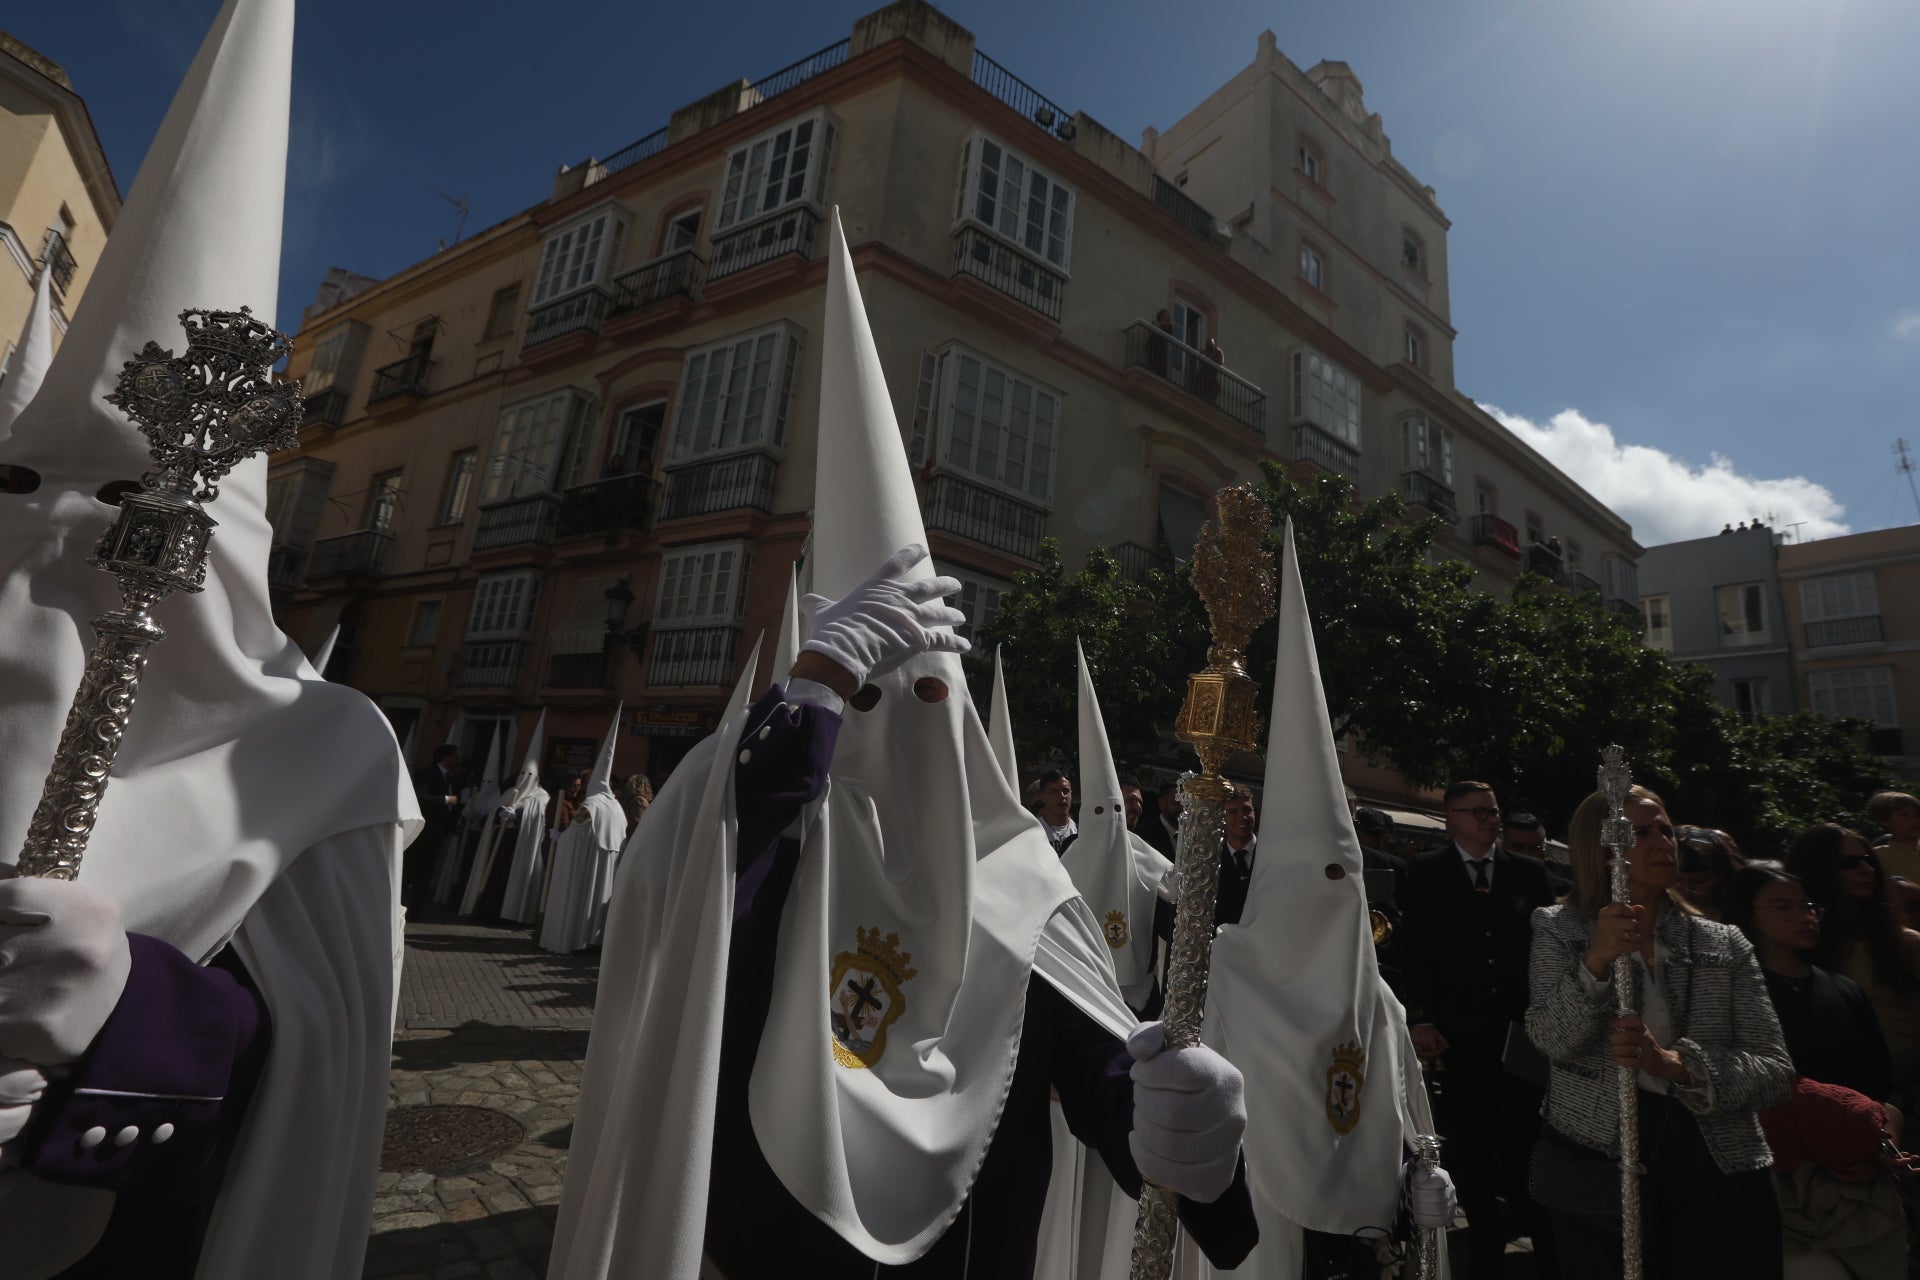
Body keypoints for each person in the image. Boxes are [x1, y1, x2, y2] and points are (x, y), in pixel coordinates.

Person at [551, 216, 1255, 1277]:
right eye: (868, 699)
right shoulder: (773, 835)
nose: (901, 720)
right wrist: (814, 692)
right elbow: (691, 917)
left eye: (928, 692)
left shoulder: (1019, 875)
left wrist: (1178, 1120)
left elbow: (1098, 1070)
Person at [0, 1, 417, 1272]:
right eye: (27, 489)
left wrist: (133, 1021)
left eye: (129, 499)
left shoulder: (330, 755)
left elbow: (327, 1064)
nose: (77, 536)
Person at [1526, 785, 1792, 1279]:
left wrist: (1675, 1065)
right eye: (1641, 832)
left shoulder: (1722, 942)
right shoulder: (1559, 929)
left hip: (1716, 1163)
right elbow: (1549, 1038)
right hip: (1599, 1164)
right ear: (1599, 847)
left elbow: (1775, 1072)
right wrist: (1596, 963)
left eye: (1667, 829)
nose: (1663, 843)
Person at [1401, 780, 1558, 1278]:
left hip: (1521, 1034)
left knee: (1526, 1144)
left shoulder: (1529, 873)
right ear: (1452, 818)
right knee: (1471, 1146)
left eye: (1493, 811)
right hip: (1457, 1034)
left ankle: (1547, 1252)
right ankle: (1485, 1255)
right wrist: (1422, 1018)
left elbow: (1548, 951)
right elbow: (1414, 951)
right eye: (1478, 812)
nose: (1490, 819)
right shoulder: (1426, 871)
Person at [1722, 861, 1909, 1277]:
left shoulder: (1844, 990)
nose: (1804, 916)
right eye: (1783, 907)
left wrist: (1882, 1140)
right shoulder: (1737, 994)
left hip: (1860, 1180)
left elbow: (1884, 1081)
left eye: (1808, 906)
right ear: (1748, 915)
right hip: (1783, 1182)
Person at [1786, 825, 1920, 1085]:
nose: (1867, 869)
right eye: (1849, 863)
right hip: (1825, 1090)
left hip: (1905, 1088)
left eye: (1869, 860)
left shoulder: (1905, 944)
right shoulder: (1789, 947)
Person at [539, 708, 628, 955]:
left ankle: (575, 939)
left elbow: (575, 836)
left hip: (585, 867)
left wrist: (559, 837)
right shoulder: (616, 806)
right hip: (608, 868)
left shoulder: (591, 805)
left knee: (580, 903)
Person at [410, 744, 461, 906]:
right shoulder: (428, 774)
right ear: (445, 757)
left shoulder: (450, 777)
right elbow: (422, 798)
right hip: (427, 830)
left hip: (439, 832)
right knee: (417, 868)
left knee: (427, 870)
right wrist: (446, 799)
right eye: (454, 756)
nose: (456, 760)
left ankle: (417, 906)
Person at [1674, 826, 1744, 921]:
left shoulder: (1740, 918)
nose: (1686, 889)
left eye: (1699, 881)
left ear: (1719, 877)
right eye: (1676, 879)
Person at [1503, 810, 1572, 896]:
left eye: (1534, 848)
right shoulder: (1490, 886)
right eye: (1518, 847)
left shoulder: (1569, 893)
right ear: (1503, 847)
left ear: (1544, 849)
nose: (1526, 854)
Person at [1870, 792, 1920, 883]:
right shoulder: (1879, 856)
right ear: (1884, 820)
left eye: (1917, 815)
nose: (1915, 821)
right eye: (1905, 815)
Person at [1035, 769, 1077, 854]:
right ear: (1043, 797)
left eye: (1065, 791)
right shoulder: (1034, 831)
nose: (1062, 796)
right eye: (1054, 791)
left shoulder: (1081, 830)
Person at [1141, 786, 1181, 860]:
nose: (1182, 808)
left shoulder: (1190, 836)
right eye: (1177, 802)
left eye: (1185, 804)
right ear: (1161, 803)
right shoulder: (1145, 835)